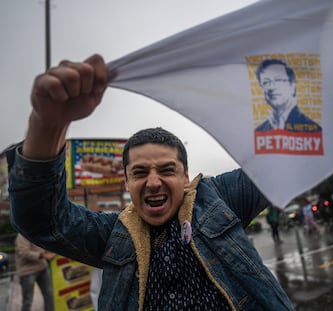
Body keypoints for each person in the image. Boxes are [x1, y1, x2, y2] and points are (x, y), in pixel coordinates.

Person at [6, 55, 295, 310]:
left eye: (167, 170)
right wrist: (48, 124)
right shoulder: (112, 234)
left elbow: (282, 161)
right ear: (127, 181)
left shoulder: (221, 198)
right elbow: (41, 221)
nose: (153, 182)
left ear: (185, 177)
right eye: (140, 172)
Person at [255, 58, 322, 133]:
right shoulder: (260, 130)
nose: (271, 87)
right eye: (266, 82)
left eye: (278, 80)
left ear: (292, 86)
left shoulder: (313, 129)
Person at [15, 234, 55, 311]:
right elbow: (24, 252)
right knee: (28, 301)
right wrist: (43, 255)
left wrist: (48, 251)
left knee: (49, 295)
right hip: (27, 271)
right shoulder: (22, 235)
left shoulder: (35, 231)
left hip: (42, 267)